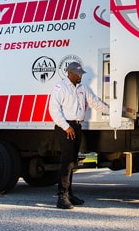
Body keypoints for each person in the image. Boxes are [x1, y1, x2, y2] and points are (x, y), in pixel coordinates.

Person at [49, 61, 109, 209]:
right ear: (70, 73)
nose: (80, 77)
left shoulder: (82, 88)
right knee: (67, 162)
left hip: (76, 126)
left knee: (72, 162)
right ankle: (62, 197)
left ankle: (69, 194)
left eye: (81, 74)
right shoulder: (60, 87)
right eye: (78, 74)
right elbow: (54, 110)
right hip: (66, 128)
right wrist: (66, 127)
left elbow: (94, 103)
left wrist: (113, 111)